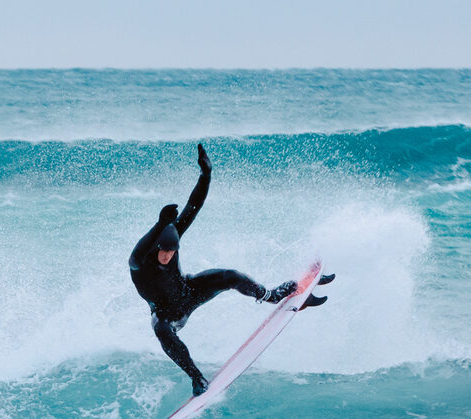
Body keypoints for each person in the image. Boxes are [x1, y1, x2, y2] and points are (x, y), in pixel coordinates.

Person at [130, 143, 333, 395]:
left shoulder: (172, 239)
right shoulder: (140, 261)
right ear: (157, 245)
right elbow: (136, 257)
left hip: (188, 291)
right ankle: (197, 379)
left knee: (230, 276)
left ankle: (273, 296)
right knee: (161, 330)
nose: (168, 256)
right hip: (167, 312)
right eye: (164, 252)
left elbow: (194, 206)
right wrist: (159, 224)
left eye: (173, 252)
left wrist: (206, 175)